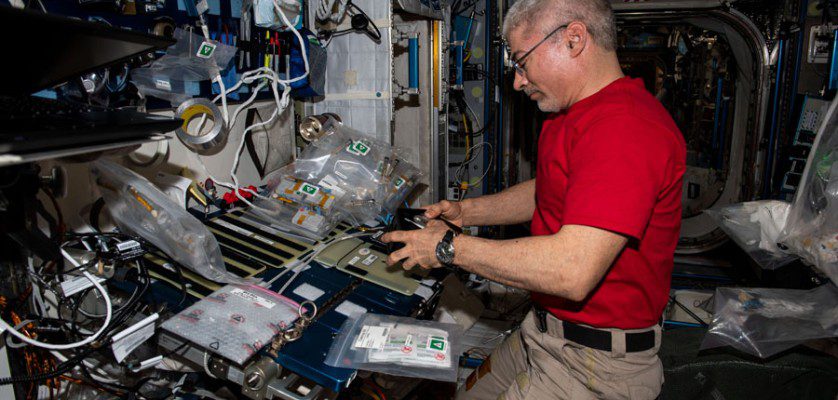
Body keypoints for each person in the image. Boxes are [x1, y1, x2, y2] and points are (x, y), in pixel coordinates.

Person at [381, 0, 687, 398]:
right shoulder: (573, 114)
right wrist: (466, 212)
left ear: (574, 39)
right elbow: (553, 191)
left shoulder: (625, 128)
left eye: (522, 62)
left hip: (592, 365)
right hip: (542, 333)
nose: (518, 81)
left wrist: (446, 248)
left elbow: (571, 271)